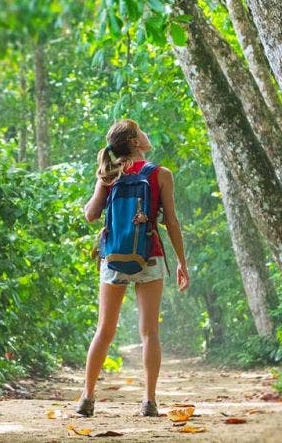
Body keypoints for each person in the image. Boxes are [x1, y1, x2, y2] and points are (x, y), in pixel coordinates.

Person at [76, 119, 190, 417]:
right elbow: (172, 222)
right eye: (141, 131)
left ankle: (87, 398)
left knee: (104, 330)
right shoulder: (161, 174)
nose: (146, 133)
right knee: (149, 332)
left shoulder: (110, 174)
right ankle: (149, 401)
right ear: (136, 142)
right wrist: (181, 262)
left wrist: (102, 181)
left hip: (113, 256)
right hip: (149, 255)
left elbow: (90, 215)